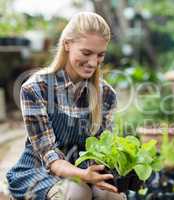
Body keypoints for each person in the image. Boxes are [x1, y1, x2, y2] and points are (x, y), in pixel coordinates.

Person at [6, 12, 125, 200]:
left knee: (110, 195)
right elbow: (49, 155)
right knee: (77, 192)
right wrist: (84, 176)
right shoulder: (36, 88)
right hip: (39, 170)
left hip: (86, 170)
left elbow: (103, 149)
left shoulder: (106, 95)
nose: (93, 62)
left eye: (100, 55)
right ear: (67, 44)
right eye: (86, 53)